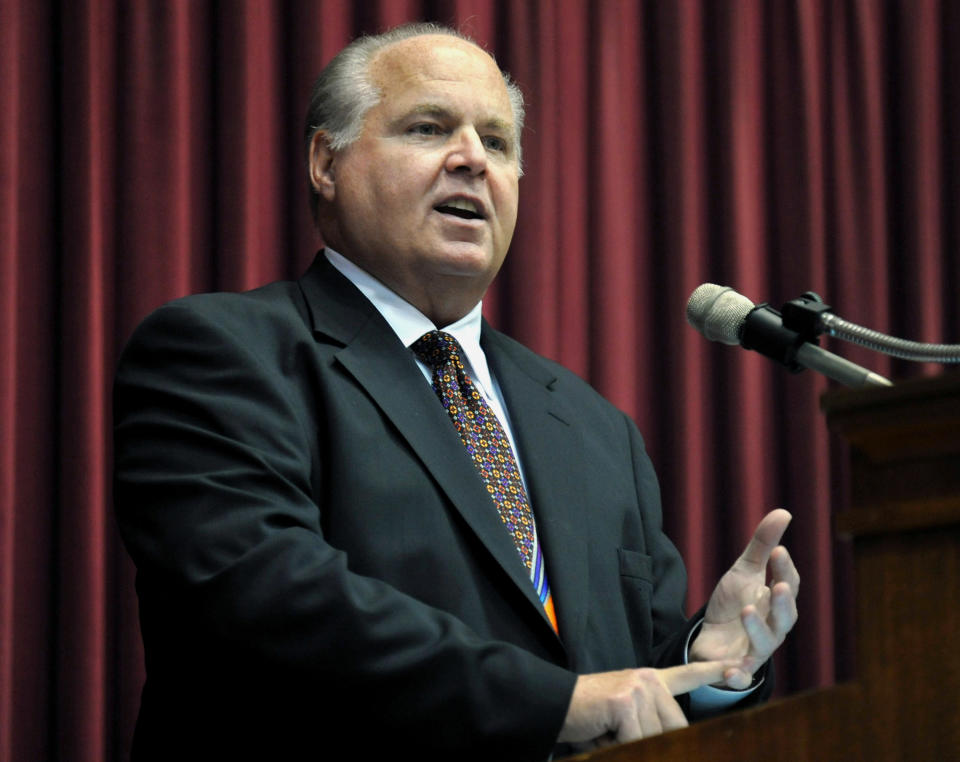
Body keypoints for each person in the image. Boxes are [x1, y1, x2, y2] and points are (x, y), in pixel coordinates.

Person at [114, 22, 798, 761]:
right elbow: (267, 601)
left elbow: (626, 689)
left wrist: (710, 664)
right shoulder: (222, 353)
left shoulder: (595, 428)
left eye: (499, 144)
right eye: (428, 128)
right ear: (325, 161)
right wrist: (555, 703)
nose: (473, 160)